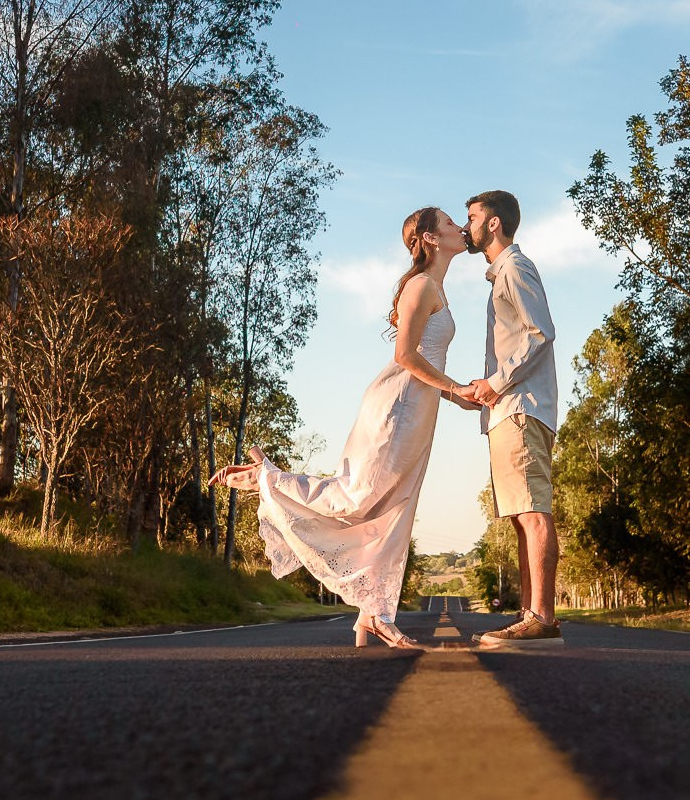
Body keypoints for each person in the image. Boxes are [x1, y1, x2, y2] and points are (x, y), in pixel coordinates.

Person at [211, 206, 482, 649]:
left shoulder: (437, 288)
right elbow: (406, 357)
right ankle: (266, 478)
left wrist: (457, 397)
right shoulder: (420, 286)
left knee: (394, 510)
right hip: (396, 408)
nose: (458, 228)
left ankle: (374, 614)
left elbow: (429, 362)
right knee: (358, 496)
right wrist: (453, 387)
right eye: (450, 223)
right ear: (431, 239)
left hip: (421, 410)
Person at [456, 190, 563, 649]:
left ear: (494, 224)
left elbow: (542, 332)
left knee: (534, 513)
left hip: (520, 408)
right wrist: (483, 390)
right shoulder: (500, 275)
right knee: (523, 516)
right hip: (506, 407)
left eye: (473, 217)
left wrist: (496, 383)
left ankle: (543, 617)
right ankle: (529, 616)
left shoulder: (516, 268)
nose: (468, 226)